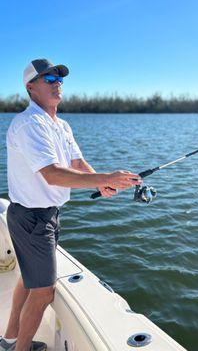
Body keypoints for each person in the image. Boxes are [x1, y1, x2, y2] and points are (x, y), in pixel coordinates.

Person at [1, 59, 142, 351]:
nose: (57, 83)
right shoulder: (28, 124)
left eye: (59, 78)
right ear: (30, 87)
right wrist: (103, 178)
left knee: (29, 281)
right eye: (48, 78)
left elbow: (76, 163)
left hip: (46, 215)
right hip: (31, 218)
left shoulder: (61, 125)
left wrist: (101, 182)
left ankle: (11, 338)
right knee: (43, 292)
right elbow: (52, 174)